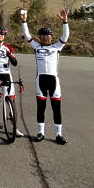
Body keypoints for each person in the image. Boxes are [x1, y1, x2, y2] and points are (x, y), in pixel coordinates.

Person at [20, 9, 70, 145]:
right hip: (40, 80)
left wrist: (65, 21)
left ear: (51, 37)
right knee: (41, 108)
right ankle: (40, 133)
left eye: (48, 36)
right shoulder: (36, 47)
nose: (45, 38)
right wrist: (24, 20)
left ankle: (58, 134)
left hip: (54, 81)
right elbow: (27, 35)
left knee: (56, 108)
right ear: (40, 37)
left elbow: (65, 35)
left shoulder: (57, 47)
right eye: (42, 36)